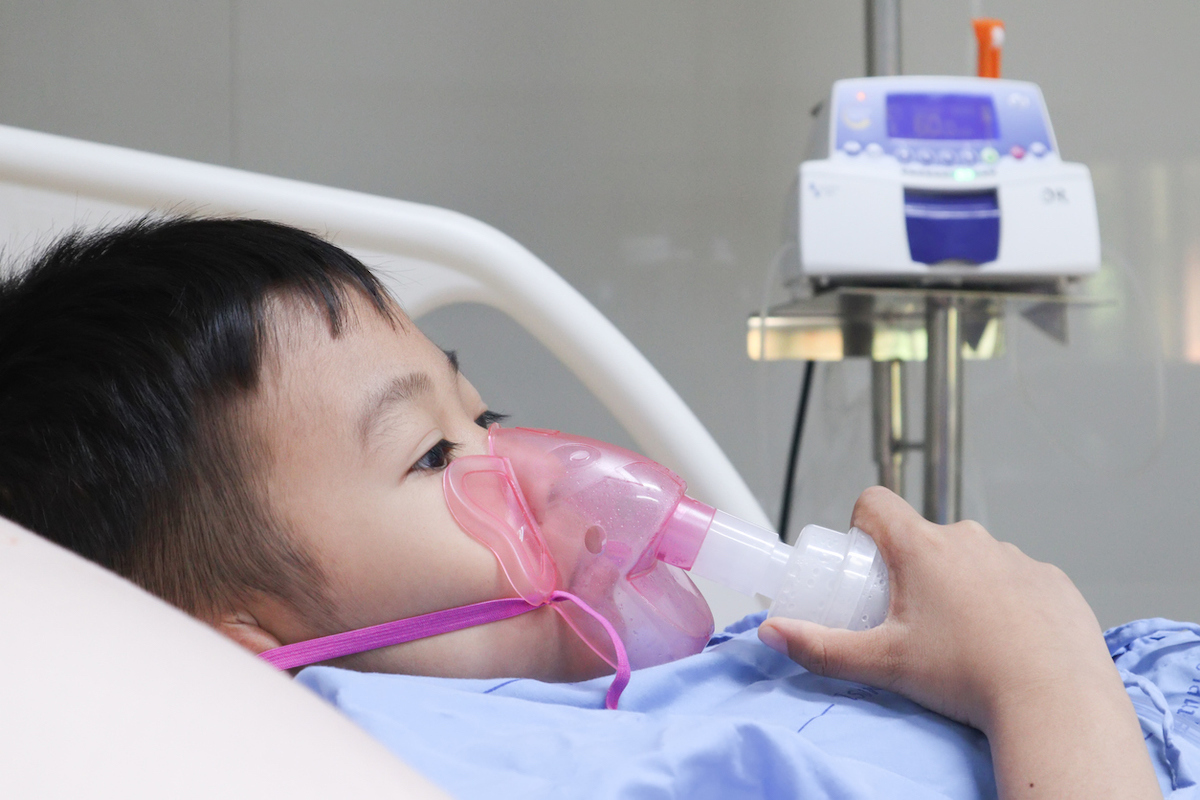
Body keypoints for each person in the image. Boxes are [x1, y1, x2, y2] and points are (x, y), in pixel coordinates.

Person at [0, 217, 1174, 798]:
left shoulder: (607, 698)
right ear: (237, 649)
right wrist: (1043, 670)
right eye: (426, 455)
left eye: (486, 413)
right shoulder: (432, 758)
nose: (521, 461)